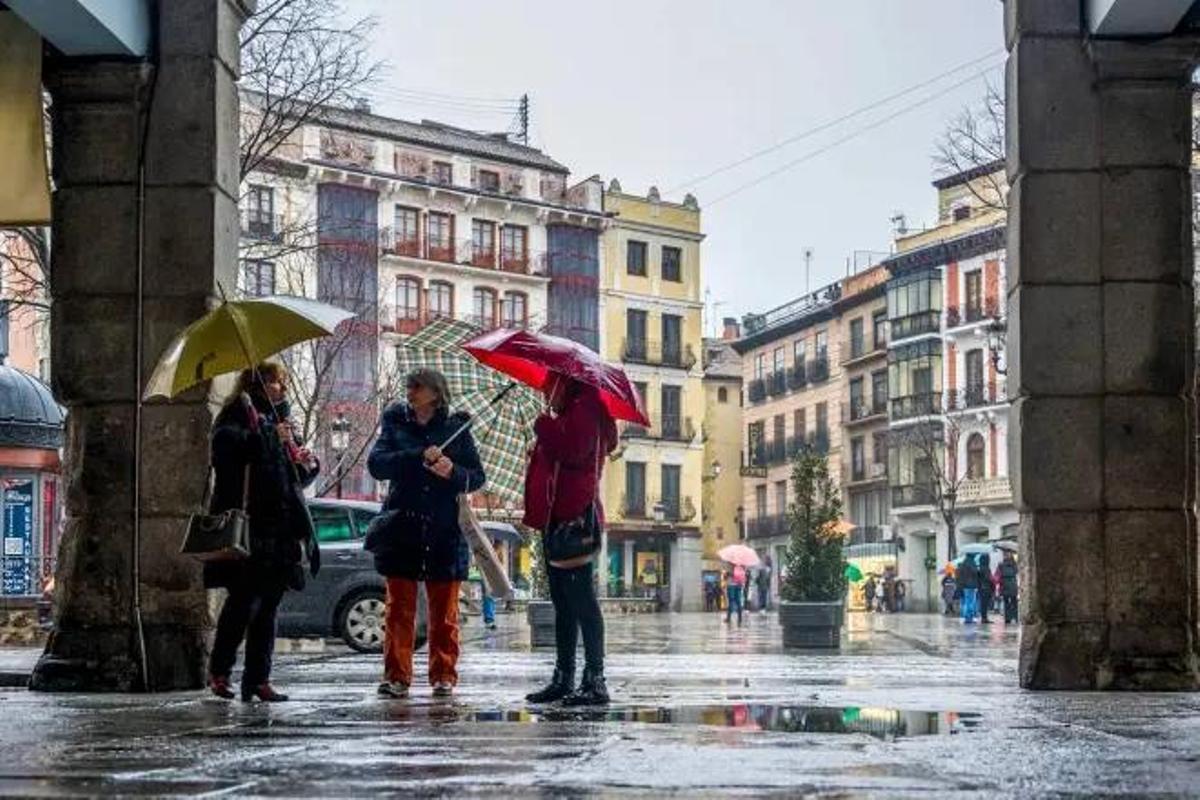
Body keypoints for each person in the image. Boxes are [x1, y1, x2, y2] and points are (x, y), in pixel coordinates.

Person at [367, 369, 486, 700]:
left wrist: (451, 470)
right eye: (408, 386)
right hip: (402, 526)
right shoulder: (395, 422)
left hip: (443, 529)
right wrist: (416, 456)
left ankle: (443, 674)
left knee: (444, 611)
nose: (410, 391)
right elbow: (377, 464)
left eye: (417, 386)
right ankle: (396, 676)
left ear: (435, 393)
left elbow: (476, 477)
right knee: (398, 608)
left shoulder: (456, 428)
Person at [206, 362, 320, 703]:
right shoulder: (237, 417)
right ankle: (220, 671)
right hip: (250, 526)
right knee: (242, 603)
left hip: (281, 527)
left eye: (282, 383)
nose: (280, 389)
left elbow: (294, 479)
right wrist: (270, 436)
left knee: (269, 608)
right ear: (258, 384)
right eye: (274, 382)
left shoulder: (282, 422)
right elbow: (228, 453)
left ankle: (258, 679)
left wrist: (306, 463)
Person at [523, 372, 618, 707]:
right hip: (557, 519)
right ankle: (563, 677)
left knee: (582, 602)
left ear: (565, 383)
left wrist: (544, 427)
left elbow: (574, 451)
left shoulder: (586, 409)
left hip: (573, 520)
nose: (546, 391)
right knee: (564, 604)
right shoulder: (569, 413)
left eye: (550, 385)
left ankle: (595, 679)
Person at [957, 555, 980, 623]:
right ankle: (969, 617)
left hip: (965, 586)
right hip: (971, 585)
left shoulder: (963, 564)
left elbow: (960, 575)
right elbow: (974, 572)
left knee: (967, 601)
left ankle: (967, 617)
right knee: (970, 602)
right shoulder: (971, 563)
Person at [999, 551, 1019, 624]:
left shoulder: (1001, 564)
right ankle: (1014, 617)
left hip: (1005, 585)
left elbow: (1000, 574)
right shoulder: (1014, 564)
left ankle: (1008, 618)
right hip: (1012, 584)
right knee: (1013, 602)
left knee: (1007, 602)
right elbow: (1016, 571)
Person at [977, 553, 994, 623]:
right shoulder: (986, 568)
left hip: (981, 588)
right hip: (986, 588)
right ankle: (984, 618)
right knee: (985, 604)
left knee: (982, 603)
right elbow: (988, 578)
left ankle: (983, 617)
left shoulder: (979, 568)